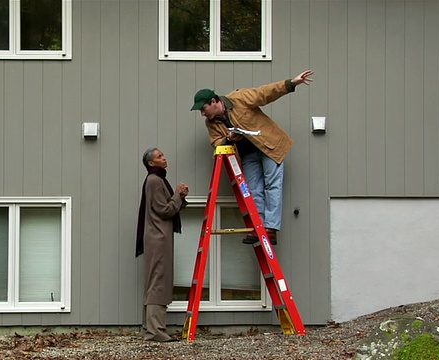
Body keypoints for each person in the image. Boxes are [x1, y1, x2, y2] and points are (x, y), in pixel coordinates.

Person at [190, 70, 314, 245]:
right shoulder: (210, 122)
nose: (202, 113)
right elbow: (216, 143)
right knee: (252, 189)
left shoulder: (239, 98)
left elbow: (265, 93)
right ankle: (259, 227)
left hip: (269, 146)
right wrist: (228, 139)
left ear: (214, 101)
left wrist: (291, 83)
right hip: (247, 153)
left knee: (272, 185)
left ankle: (270, 228)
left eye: (203, 109)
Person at [135, 147, 189, 342]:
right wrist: (177, 194)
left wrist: (179, 197)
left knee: (155, 281)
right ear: (151, 163)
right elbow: (164, 210)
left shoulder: (156, 180)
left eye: (163, 155)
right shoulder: (155, 180)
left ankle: (150, 329)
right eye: (159, 157)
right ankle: (155, 331)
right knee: (158, 282)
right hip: (158, 237)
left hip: (157, 236)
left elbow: (168, 207)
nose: (164, 158)